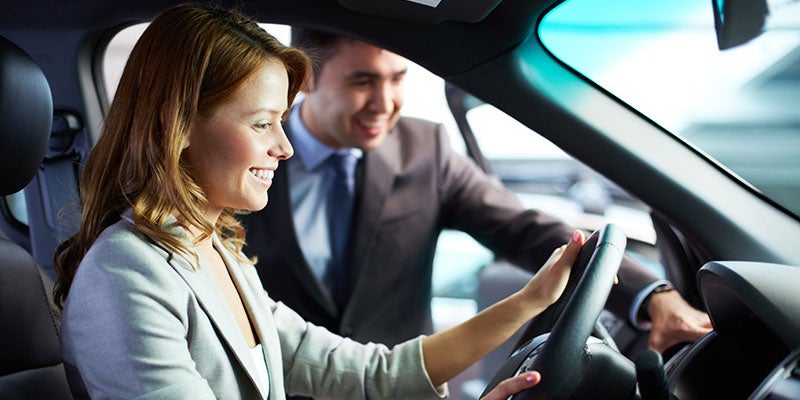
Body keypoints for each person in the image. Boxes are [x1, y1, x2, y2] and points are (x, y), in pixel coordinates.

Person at [53, 4, 586, 399]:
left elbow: (366, 373)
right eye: (262, 124)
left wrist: (531, 302)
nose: (284, 148)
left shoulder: (216, 251)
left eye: (280, 123)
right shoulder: (126, 274)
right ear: (179, 126)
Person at [240, 28, 713, 354]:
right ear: (304, 79)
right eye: (362, 81)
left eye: (398, 78)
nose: (384, 103)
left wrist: (653, 293)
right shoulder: (244, 156)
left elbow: (525, 229)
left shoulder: (427, 149)